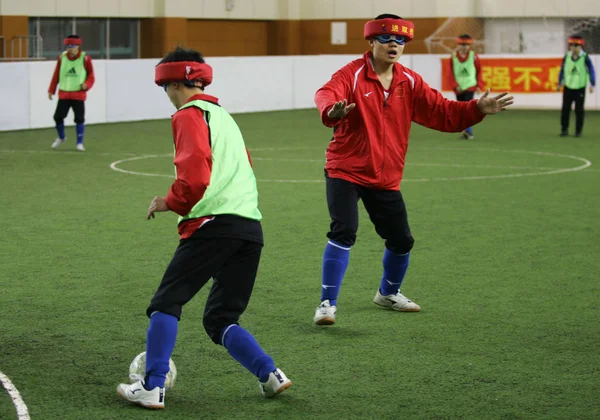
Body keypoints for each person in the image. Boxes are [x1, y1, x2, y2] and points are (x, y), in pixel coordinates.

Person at [116, 47, 292, 410]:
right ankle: (271, 374)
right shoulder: (223, 116)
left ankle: (151, 387)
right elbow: (245, 167)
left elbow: (194, 178)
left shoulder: (187, 115)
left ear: (171, 82)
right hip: (249, 229)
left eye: (164, 86)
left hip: (213, 225)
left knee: (167, 301)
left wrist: (171, 201)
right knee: (221, 318)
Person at [313, 14, 514, 326]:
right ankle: (327, 303)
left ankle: (388, 293)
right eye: (386, 38)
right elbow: (326, 92)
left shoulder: (409, 81)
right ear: (371, 41)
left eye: (401, 40)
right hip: (345, 169)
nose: (394, 44)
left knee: (402, 240)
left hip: (385, 176)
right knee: (344, 231)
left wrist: (476, 109)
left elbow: (443, 112)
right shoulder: (351, 75)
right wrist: (331, 109)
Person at [48, 34, 94, 151]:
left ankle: (79, 143)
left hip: (78, 95)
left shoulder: (85, 58)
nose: (70, 49)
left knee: (79, 119)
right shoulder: (61, 57)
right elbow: (56, 75)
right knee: (58, 117)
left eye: (72, 46)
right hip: (64, 94)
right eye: (68, 46)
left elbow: (91, 76)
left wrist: (86, 85)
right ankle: (61, 137)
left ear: (78, 46)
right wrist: (51, 90)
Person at [558, 35, 596, 138]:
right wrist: (560, 82)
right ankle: (564, 129)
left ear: (581, 46)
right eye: (571, 45)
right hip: (568, 87)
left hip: (579, 88)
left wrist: (592, 84)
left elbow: (591, 71)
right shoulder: (567, 57)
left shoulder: (585, 57)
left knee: (579, 111)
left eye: (576, 45)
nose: (573, 48)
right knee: (565, 109)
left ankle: (578, 131)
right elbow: (562, 70)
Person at [449, 33, 484, 140]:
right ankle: (466, 131)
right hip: (459, 88)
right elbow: (450, 73)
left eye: (466, 45)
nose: (464, 47)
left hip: (470, 86)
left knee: (467, 109)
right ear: (458, 45)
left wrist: (479, 85)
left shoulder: (474, 57)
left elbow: (479, 71)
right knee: (460, 109)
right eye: (462, 45)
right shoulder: (453, 57)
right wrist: (455, 86)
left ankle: (468, 132)